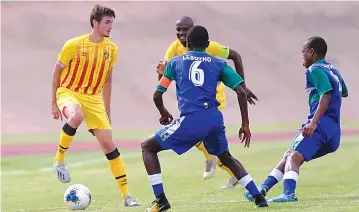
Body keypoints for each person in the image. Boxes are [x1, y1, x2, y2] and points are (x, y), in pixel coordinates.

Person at [142, 25, 268, 212]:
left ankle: (160, 200)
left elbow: (157, 95)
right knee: (225, 157)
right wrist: (245, 124)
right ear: (207, 44)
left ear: (188, 44)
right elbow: (241, 92)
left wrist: (164, 114)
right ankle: (258, 197)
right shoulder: (219, 64)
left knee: (147, 147)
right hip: (214, 119)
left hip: (192, 119)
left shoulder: (175, 63)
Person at [51, 4, 140, 207]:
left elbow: (107, 81)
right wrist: (53, 103)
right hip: (69, 92)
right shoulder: (73, 45)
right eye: (107, 22)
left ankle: (126, 196)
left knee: (109, 145)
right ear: (95, 23)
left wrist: (106, 110)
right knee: (76, 116)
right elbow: (56, 71)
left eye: (112, 23)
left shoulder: (112, 49)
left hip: (93, 99)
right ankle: (59, 160)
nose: (110, 27)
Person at [156, 16, 258, 189]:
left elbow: (235, 56)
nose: (181, 33)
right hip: (191, 101)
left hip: (213, 99)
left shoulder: (211, 48)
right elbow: (164, 74)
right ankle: (246, 185)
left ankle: (211, 158)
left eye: (185, 29)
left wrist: (242, 84)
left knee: (196, 132)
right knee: (219, 149)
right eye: (178, 29)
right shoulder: (173, 49)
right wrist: (160, 72)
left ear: (192, 32)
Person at [243, 36, 349, 203]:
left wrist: (313, 122)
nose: (302, 56)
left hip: (319, 125)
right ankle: (262, 188)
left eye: (303, 52)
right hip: (334, 131)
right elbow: (344, 91)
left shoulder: (315, 69)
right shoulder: (333, 70)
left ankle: (288, 194)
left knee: (293, 157)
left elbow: (325, 94)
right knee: (291, 155)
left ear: (312, 52)